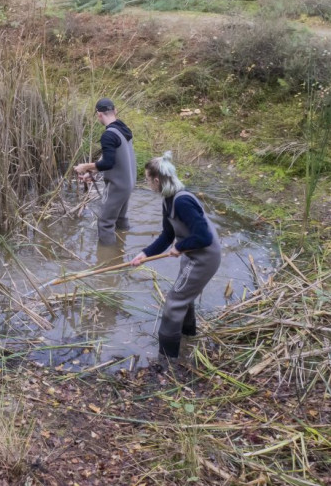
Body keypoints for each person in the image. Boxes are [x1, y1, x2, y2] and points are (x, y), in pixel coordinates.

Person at [130, 151, 221, 362]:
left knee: (174, 302)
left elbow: (204, 237)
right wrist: (143, 254)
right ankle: (188, 338)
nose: (147, 184)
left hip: (204, 257)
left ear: (156, 180)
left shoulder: (182, 201)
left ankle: (167, 358)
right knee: (184, 296)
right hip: (193, 253)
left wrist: (180, 247)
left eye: (147, 179)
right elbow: (167, 236)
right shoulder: (167, 200)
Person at [73, 98, 136, 246]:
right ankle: (122, 244)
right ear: (115, 111)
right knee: (120, 218)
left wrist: (85, 167)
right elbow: (113, 156)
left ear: (99, 115)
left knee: (105, 223)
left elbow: (108, 162)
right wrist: (93, 172)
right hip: (129, 183)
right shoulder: (124, 129)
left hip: (117, 186)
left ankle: (108, 259)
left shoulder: (108, 135)